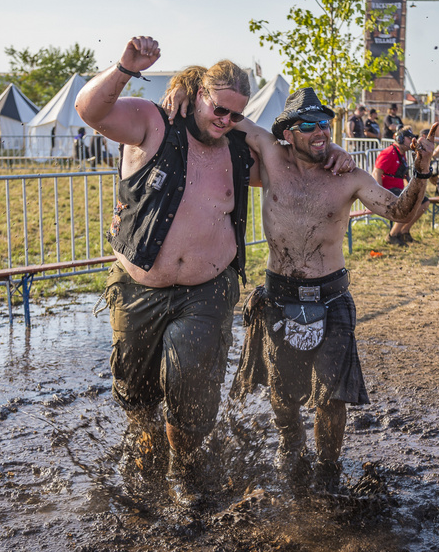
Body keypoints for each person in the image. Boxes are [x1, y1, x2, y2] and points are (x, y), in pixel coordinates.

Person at [75, 36, 352, 508]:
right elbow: (90, 110)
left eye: (234, 115)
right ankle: (148, 460)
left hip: (208, 290)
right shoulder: (154, 120)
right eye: (218, 109)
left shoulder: (239, 148)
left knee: (192, 389)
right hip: (139, 287)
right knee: (137, 396)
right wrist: (126, 67)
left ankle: (189, 471)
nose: (224, 121)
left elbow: (295, 168)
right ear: (198, 93)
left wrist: (332, 155)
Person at [227, 88, 438, 494]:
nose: (320, 131)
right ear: (288, 133)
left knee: (331, 395)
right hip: (280, 294)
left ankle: (327, 467)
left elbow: (401, 212)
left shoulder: (349, 176)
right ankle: (290, 445)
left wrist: (422, 170)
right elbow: (228, 119)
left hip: (331, 295)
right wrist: (186, 97)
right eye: (309, 126)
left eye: (325, 123)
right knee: (283, 392)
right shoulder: (271, 155)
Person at [371, 125, 430, 245]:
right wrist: (379, 194)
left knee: (424, 201)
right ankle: (393, 235)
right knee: (410, 204)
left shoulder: (401, 154)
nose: (412, 141)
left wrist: (416, 190)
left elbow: (405, 176)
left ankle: (404, 231)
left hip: (398, 189)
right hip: (389, 190)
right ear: (400, 138)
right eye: (409, 138)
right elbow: (377, 172)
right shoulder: (388, 152)